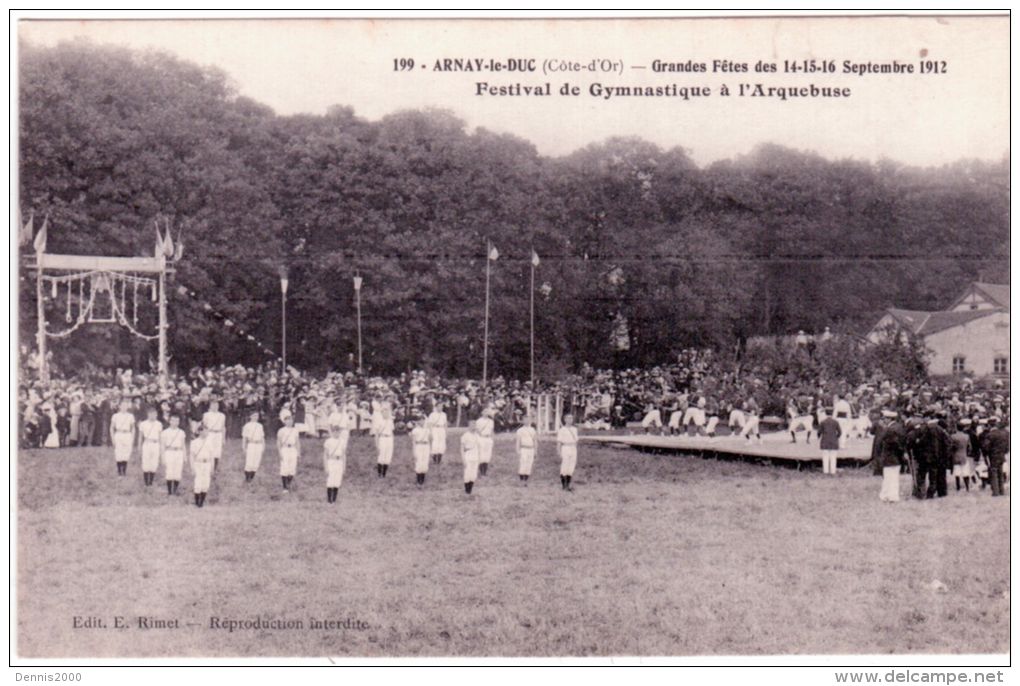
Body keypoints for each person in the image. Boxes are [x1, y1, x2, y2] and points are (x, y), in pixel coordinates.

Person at [875, 412, 906, 502]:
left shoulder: (889, 429)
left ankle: (888, 495)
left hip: (889, 456)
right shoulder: (899, 427)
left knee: (888, 477)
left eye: (885, 418)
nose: (884, 420)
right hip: (897, 457)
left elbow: (881, 441)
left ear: (889, 419)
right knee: (894, 477)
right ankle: (891, 495)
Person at [981, 417, 1009, 497]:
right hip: (1002, 455)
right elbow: (1007, 446)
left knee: (994, 472)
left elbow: (985, 447)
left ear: (989, 425)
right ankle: (1001, 490)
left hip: (993, 455)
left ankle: (995, 491)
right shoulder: (1004, 433)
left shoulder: (990, 435)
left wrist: (985, 453)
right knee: (1000, 472)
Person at [188, 424, 215, 507]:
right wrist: (192, 467)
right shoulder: (194, 442)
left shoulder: (210, 442)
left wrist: (212, 467)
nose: (206, 432)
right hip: (198, 463)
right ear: (199, 431)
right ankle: (197, 502)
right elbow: (191, 456)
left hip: (207, 463)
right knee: (198, 482)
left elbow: (212, 456)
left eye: (207, 430)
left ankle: (202, 502)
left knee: (206, 483)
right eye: (204, 430)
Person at [160, 414, 187, 496]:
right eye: (173, 420)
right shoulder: (165, 432)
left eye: (177, 421)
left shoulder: (181, 432)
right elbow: (162, 446)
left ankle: (175, 490)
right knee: (169, 471)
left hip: (178, 452)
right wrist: (162, 457)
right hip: (169, 452)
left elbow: (183, 445)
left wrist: (185, 456)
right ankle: (169, 491)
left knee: (177, 472)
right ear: (169, 421)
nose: (175, 423)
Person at [137, 405, 163, 488]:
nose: (153, 416)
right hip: (147, 443)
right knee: (146, 462)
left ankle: (151, 482)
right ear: (148, 414)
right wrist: (139, 446)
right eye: (151, 414)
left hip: (155, 443)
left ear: (156, 415)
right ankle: (146, 482)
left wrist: (161, 448)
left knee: (154, 462)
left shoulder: (159, 424)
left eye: (154, 414)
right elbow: (140, 436)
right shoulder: (143, 424)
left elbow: (160, 437)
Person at [110, 399, 136, 476]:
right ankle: (119, 471)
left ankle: (124, 470)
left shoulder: (130, 416)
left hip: (127, 434)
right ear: (119, 406)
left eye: (125, 405)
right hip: (118, 434)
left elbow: (133, 427)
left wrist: (133, 437)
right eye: (122, 405)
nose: (124, 407)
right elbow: (111, 427)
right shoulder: (115, 416)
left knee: (126, 452)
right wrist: (112, 438)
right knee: (118, 452)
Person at [322, 424, 347, 503]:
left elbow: (343, 454)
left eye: (338, 432)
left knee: (337, 480)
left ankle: (334, 499)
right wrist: (326, 466)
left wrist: (344, 466)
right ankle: (329, 500)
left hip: (339, 461)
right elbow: (325, 455)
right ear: (332, 432)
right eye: (335, 431)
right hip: (331, 461)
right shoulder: (328, 441)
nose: (336, 433)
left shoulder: (342, 441)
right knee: (330, 480)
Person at [277, 410, 301, 492]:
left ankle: (289, 483)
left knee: (292, 467)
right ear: (284, 421)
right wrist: (280, 452)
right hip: (285, 449)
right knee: (285, 467)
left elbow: (297, 442)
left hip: (293, 449)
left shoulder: (295, 430)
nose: (289, 422)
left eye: (291, 420)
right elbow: (279, 442)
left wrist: (298, 452)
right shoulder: (281, 430)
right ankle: (285, 487)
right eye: (287, 420)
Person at [202, 398, 227, 472]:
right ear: (210, 406)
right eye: (213, 405)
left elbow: (223, 427)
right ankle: (208, 466)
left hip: (218, 434)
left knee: (217, 451)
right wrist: (204, 436)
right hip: (210, 433)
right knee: (209, 449)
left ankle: (215, 467)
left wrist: (223, 438)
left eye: (216, 405)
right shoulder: (206, 415)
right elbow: (204, 426)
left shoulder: (222, 415)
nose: (215, 407)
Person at [241, 410, 265, 483]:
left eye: (257, 416)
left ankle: (251, 478)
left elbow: (262, 437)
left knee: (256, 462)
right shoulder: (247, 425)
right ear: (250, 416)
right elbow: (244, 438)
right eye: (254, 416)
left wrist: (263, 446)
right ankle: (247, 478)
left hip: (259, 445)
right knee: (249, 462)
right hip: (251, 444)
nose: (255, 417)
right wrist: (244, 447)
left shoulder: (260, 426)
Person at [557, 413, 579, 491]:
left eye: (571, 418)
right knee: (565, 465)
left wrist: (575, 449)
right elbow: (559, 442)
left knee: (571, 466)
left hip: (573, 448)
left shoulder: (574, 429)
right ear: (565, 419)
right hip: (565, 447)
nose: (570, 420)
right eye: (568, 418)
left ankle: (568, 484)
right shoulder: (562, 430)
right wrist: (559, 452)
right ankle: (564, 485)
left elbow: (576, 440)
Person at [951, 419, 974, 492]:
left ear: (956, 428)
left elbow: (951, 447)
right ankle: (967, 487)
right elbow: (969, 447)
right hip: (964, 455)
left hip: (956, 455)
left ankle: (958, 487)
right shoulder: (966, 436)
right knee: (965, 472)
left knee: (957, 472)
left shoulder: (953, 436)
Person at [516, 414, 538, 483]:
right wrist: (518, 450)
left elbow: (535, 441)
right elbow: (518, 441)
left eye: (528, 419)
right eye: (525, 419)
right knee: (523, 463)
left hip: (531, 449)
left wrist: (535, 451)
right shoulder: (520, 430)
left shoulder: (533, 430)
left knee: (529, 463)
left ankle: (526, 479)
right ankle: (521, 479)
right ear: (522, 421)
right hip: (524, 448)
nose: (527, 421)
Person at [817, 410, 841, 475]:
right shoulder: (836, 422)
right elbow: (840, 432)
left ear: (825, 413)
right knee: (833, 457)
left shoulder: (823, 422)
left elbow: (819, 432)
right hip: (834, 441)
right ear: (832, 413)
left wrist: (818, 437)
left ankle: (825, 471)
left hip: (825, 440)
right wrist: (836, 437)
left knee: (825, 457)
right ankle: (833, 471)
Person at [461, 420, 481, 494]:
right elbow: (462, 449)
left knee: (473, 474)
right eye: (472, 425)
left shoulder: (477, 435)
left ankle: (470, 489)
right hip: (468, 455)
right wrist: (463, 459)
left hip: (475, 455)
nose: (473, 427)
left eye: (474, 425)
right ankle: (467, 490)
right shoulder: (465, 435)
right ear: (468, 426)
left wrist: (479, 457)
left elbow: (479, 447)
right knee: (467, 473)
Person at [410, 415, 431, 486]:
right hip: (419, 446)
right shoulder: (415, 430)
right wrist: (414, 451)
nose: (422, 422)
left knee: (425, 462)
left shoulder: (427, 430)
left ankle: (423, 479)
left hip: (426, 446)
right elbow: (413, 442)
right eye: (420, 420)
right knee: (419, 461)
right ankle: (419, 480)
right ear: (418, 421)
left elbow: (430, 439)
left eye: (423, 420)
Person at [375, 403, 395, 477]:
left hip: (389, 438)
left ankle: (384, 473)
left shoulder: (390, 421)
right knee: (381, 455)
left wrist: (392, 440)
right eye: (384, 411)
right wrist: (377, 444)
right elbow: (377, 434)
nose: (385, 413)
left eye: (387, 411)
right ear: (381, 412)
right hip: (382, 438)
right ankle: (379, 473)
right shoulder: (379, 421)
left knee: (388, 455)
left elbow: (392, 432)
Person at [476, 407, 495, 476]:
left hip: (488, 438)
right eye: (484, 411)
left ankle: (485, 471)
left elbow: (492, 431)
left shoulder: (491, 421)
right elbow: (477, 431)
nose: (486, 413)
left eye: (487, 412)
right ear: (482, 413)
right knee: (481, 455)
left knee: (487, 455)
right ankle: (481, 471)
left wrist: (492, 440)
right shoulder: (478, 421)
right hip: (481, 438)